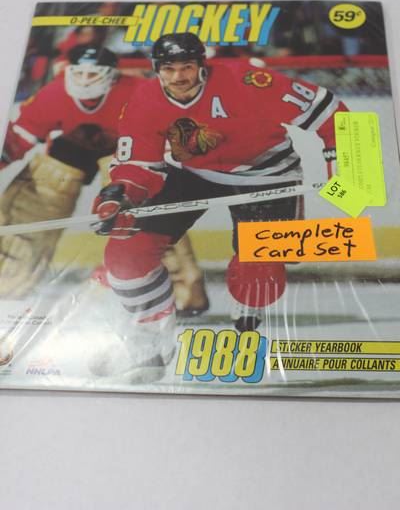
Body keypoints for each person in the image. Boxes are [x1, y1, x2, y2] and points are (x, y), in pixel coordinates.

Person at [93, 32, 348, 380]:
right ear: (156, 69)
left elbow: (330, 110)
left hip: (267, 175)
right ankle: (152, 342)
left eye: (187, 67)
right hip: (192, 173)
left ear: (202, 65)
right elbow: (138, 165)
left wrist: (347, 170)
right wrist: (120, 196)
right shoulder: (145, 98)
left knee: (260, 273)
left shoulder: (248, 80)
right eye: (169, 69)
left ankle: (246, 325)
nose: (179, 77)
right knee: (126, 252)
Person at [0, 44, 208, 314]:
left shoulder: (139, 91)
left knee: (146, 214)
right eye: (79, 73)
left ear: (111, 75)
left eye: (93, 74)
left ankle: (182, 290)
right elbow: (15, 142)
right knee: (32, 208)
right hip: (70, 152)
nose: (85, 81)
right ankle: (7, 285)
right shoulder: (54, 93)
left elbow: (167, 137)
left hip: (129, 157)